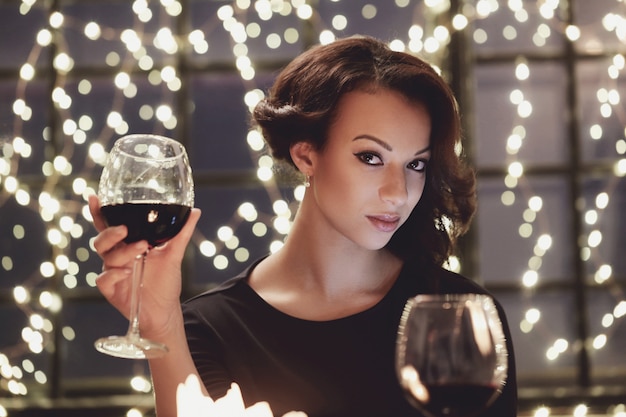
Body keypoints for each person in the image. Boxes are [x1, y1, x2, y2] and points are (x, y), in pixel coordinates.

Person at [89, 35, 517, 417]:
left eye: (416, 164)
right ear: (306, 155)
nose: (398, 192)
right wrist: (161, 325)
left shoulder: (460, 315)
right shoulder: (209, 327)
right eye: (370, 157)